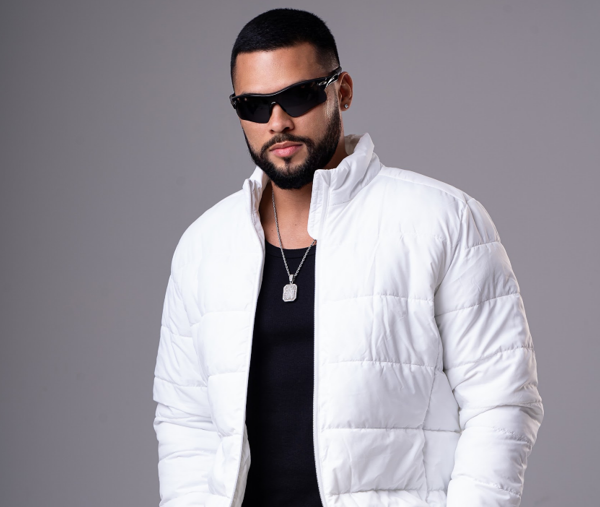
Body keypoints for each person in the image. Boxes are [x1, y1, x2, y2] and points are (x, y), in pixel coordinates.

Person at [152, 8, 544, 507]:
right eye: (254, 105)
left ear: (343, 92)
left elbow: (501, 402)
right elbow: (185, 420)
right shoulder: (203, 247)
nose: (278, 122)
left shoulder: (442, 220)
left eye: (299, 95)